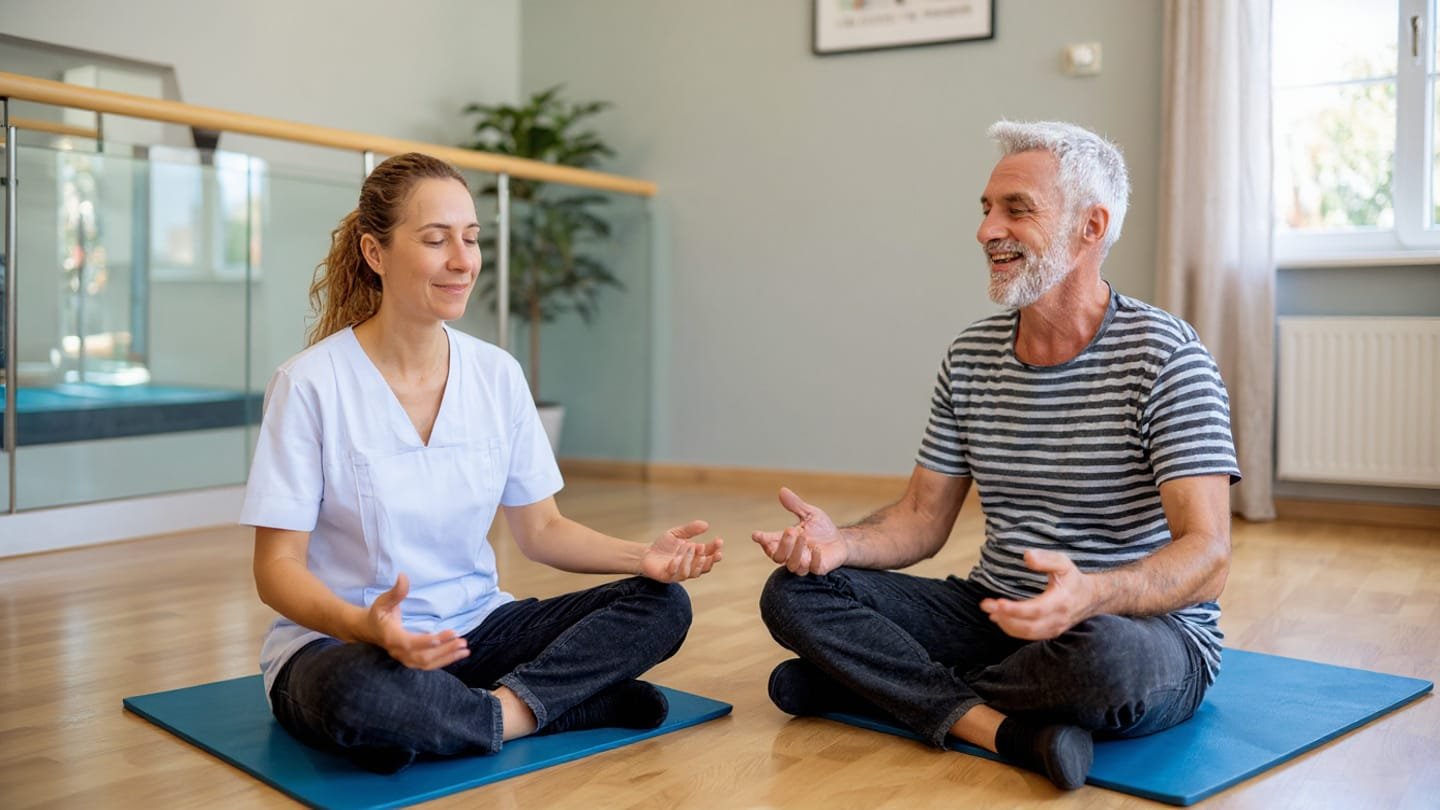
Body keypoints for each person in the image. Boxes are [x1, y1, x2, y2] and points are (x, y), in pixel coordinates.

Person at [754, 121, 1239, 791]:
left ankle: (867, 685)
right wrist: (841, 545)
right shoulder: (971, 356)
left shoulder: (1167, 358)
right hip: (997, 613)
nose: (987, 231)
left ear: (1090, 227)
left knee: (1103, 667)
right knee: (794, 595)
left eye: (1017, 209)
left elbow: (1208, 556)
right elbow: (923, 519)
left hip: (1130, 631)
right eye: (986, 210)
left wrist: (1092, 594)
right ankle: (995, 728)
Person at [241, 152, 723, 774]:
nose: (463, 261)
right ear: (375, 252)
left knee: (663, 606)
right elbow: (276, 568)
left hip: (479, 630)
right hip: (348, 646)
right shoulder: (308, 384)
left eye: (471, 239)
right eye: (436, 240)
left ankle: (481, 717)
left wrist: (644, 559)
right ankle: (558, 705)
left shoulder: (497, 374)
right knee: (358, 698)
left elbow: (542, 531)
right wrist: (365, 626)